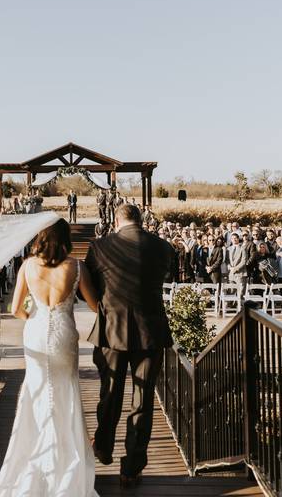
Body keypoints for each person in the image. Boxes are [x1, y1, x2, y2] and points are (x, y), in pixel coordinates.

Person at [0, 220, 99, 497]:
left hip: (37, 333)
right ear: (65, 238)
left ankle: (37, 460)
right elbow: (95, 304)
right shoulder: (76, 267)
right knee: (66, 392)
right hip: (64, 333)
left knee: (38, 392)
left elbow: (16, 308)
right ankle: (66, 466)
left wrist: (37, 317)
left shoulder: (28, 266)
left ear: (41, 235)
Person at [84, 204, 173, 487]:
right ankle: (132, 467)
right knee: (143, 399)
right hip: (151, 331)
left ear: (117, 220)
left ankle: (104, 447)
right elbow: (168, 278)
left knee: (110, 392)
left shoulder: (100, 247)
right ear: (141, 219)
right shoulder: (163, 247)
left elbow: (90, 287)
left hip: (112, 328)